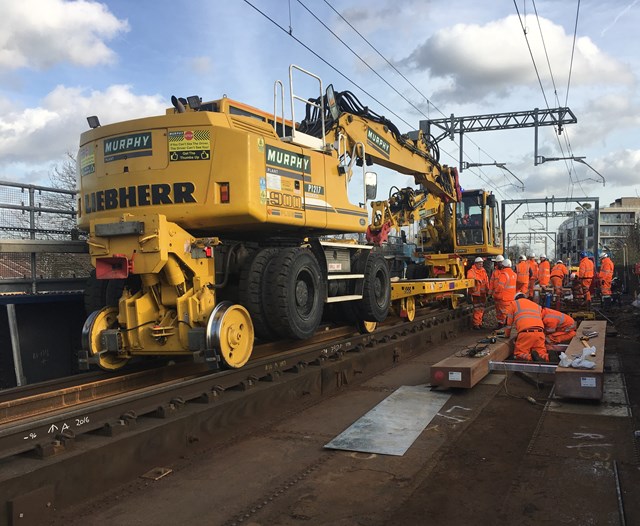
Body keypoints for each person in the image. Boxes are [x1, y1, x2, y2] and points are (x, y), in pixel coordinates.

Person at [504, 292, 549, 362]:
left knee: (519, 354)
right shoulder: (536, 305)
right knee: (541, 352)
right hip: (540, 332)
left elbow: (509, 323)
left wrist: (507, 335)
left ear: (516, 299)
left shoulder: (513, 304)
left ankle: (530, 358)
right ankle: (544, 358)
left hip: (526, 333)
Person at [493, 258, 517, 329]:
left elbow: (500, 286)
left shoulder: (503, 274)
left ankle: (502, 326)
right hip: (511, 297)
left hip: (504, 297)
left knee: (503, 313)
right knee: (508, 312)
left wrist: (495, 293)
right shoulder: (514, 274)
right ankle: (506, 325)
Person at [467, 257, 489, 330]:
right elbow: (469, 277)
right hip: (476, 293)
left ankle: (479, 323)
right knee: (477, 309)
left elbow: (486, 281)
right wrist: (477, 279)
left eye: (482, 263)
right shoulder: (471, 271)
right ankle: (476, 324)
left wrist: (488, 290)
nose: (481, 264)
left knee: (481, 308)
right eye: (479, 263)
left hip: (482, 293)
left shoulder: (483, 271)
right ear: (475, 264)